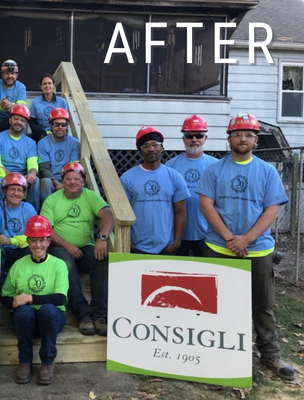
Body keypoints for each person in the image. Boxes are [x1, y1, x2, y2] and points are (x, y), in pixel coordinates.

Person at [196, 113, 295, 381]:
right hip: (218, 247)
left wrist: (246, 239)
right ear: (229, 139)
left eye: (249, 135)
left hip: (258, 249)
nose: (243, 138)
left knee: (262, 304)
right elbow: (206, 205)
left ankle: (271, 355)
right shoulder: (214, 170)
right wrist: (230, 237)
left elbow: (272, 209)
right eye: (238, 134)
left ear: (255, 140)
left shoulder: (266, 171)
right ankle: (220, 352)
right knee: (217, 305)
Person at [41, 162, 114, 336]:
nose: (72, 182)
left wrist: (102, 238)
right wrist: (67, 245)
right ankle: (83, 315)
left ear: (84, 180)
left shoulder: (90, 196)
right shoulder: (52, 199)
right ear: (62, 181)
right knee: (66, 265)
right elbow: (47, 230)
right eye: (68, 179)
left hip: (86, 248)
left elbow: (108, 216)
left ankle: (99, 315)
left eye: (77, 179)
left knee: (102, 260)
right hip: (59, 247)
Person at [1, 215, 68, 385]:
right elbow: (6, 295)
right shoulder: (19, 265)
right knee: (23, 311)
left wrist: (29, 297)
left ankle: (47, 363)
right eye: (33, 240)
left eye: (42, 240)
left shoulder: (59, 265)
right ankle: (24, 362)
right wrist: (15, 302)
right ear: (28, 242)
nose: (38, 245)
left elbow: (61, 298)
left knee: (47, 309)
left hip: (51, 320)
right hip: (26, 322)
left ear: (48, 242)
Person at [120, 126, 190, 255]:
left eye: (155, 144)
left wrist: (176, 243)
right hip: (138, 247)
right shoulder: (127, 178)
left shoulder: (174, 177)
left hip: (166, 247)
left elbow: (180, 212)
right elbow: (122, 213)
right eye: (145, 145)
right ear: (140, 150)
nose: (151, 149)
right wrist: (129, 242)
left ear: (162, 147)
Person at [166, 115, 218, 256]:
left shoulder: (216, 166)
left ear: (205, 138)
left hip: (207, 235)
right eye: (189, 136)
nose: (194, 139)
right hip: (177, 234)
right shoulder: (170, 166)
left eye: (199, 135)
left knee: (206, 274)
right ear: (183, 139)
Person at [0, 172, 37, 287]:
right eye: (12, 189)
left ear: (24, 193)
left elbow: (35, 236)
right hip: (2, 250)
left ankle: (27, 285)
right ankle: (1, 286)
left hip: (20, 250)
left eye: (20, 190)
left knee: (35, 248)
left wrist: (11, 241)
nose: (16, 193)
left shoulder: (28, 208)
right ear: (4, 191)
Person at [0, 105, 40, 211]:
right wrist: (9, 175)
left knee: (36, 180)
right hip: (2, 174)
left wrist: (32, 172)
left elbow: (32, 163)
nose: (19, 122)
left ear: (26, 124)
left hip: (22, 176)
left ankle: (32, 214)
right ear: (10, 120)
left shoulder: (30, 143)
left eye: (22, 120)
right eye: (16, 118)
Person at [38, 108, 80, 206]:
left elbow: (73, 168)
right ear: (50, 126)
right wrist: (56, 182)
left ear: (67, 126)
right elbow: (45, 168)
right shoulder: (42, 143)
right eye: (56, 124)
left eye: (63, 124)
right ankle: (47, 213)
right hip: (51, 179)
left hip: (69, 177)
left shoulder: (75, 143)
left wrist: (66, 182)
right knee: (45, 182)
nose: (60, 127)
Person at [29, 74, 68, 142]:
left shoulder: (62, 102)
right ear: (41, 86)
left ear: (54, 85)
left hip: (58, 131)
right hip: (41, 135)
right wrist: (43, 133)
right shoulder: (35, 102)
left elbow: (65, 121)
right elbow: (32, 123)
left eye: (49, 83)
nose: (47, 86)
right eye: (44, 84)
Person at [0, 59, 27, 134]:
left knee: (25, 113)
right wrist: (1, 104)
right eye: (7, 73)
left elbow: (22, 106)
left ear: (16, 75)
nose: (10, 76)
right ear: (2, 75)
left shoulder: (21, 87)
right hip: (0, 118)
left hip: (14, 117)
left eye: (12, 73)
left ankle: (21, 141)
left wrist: (11, 106)